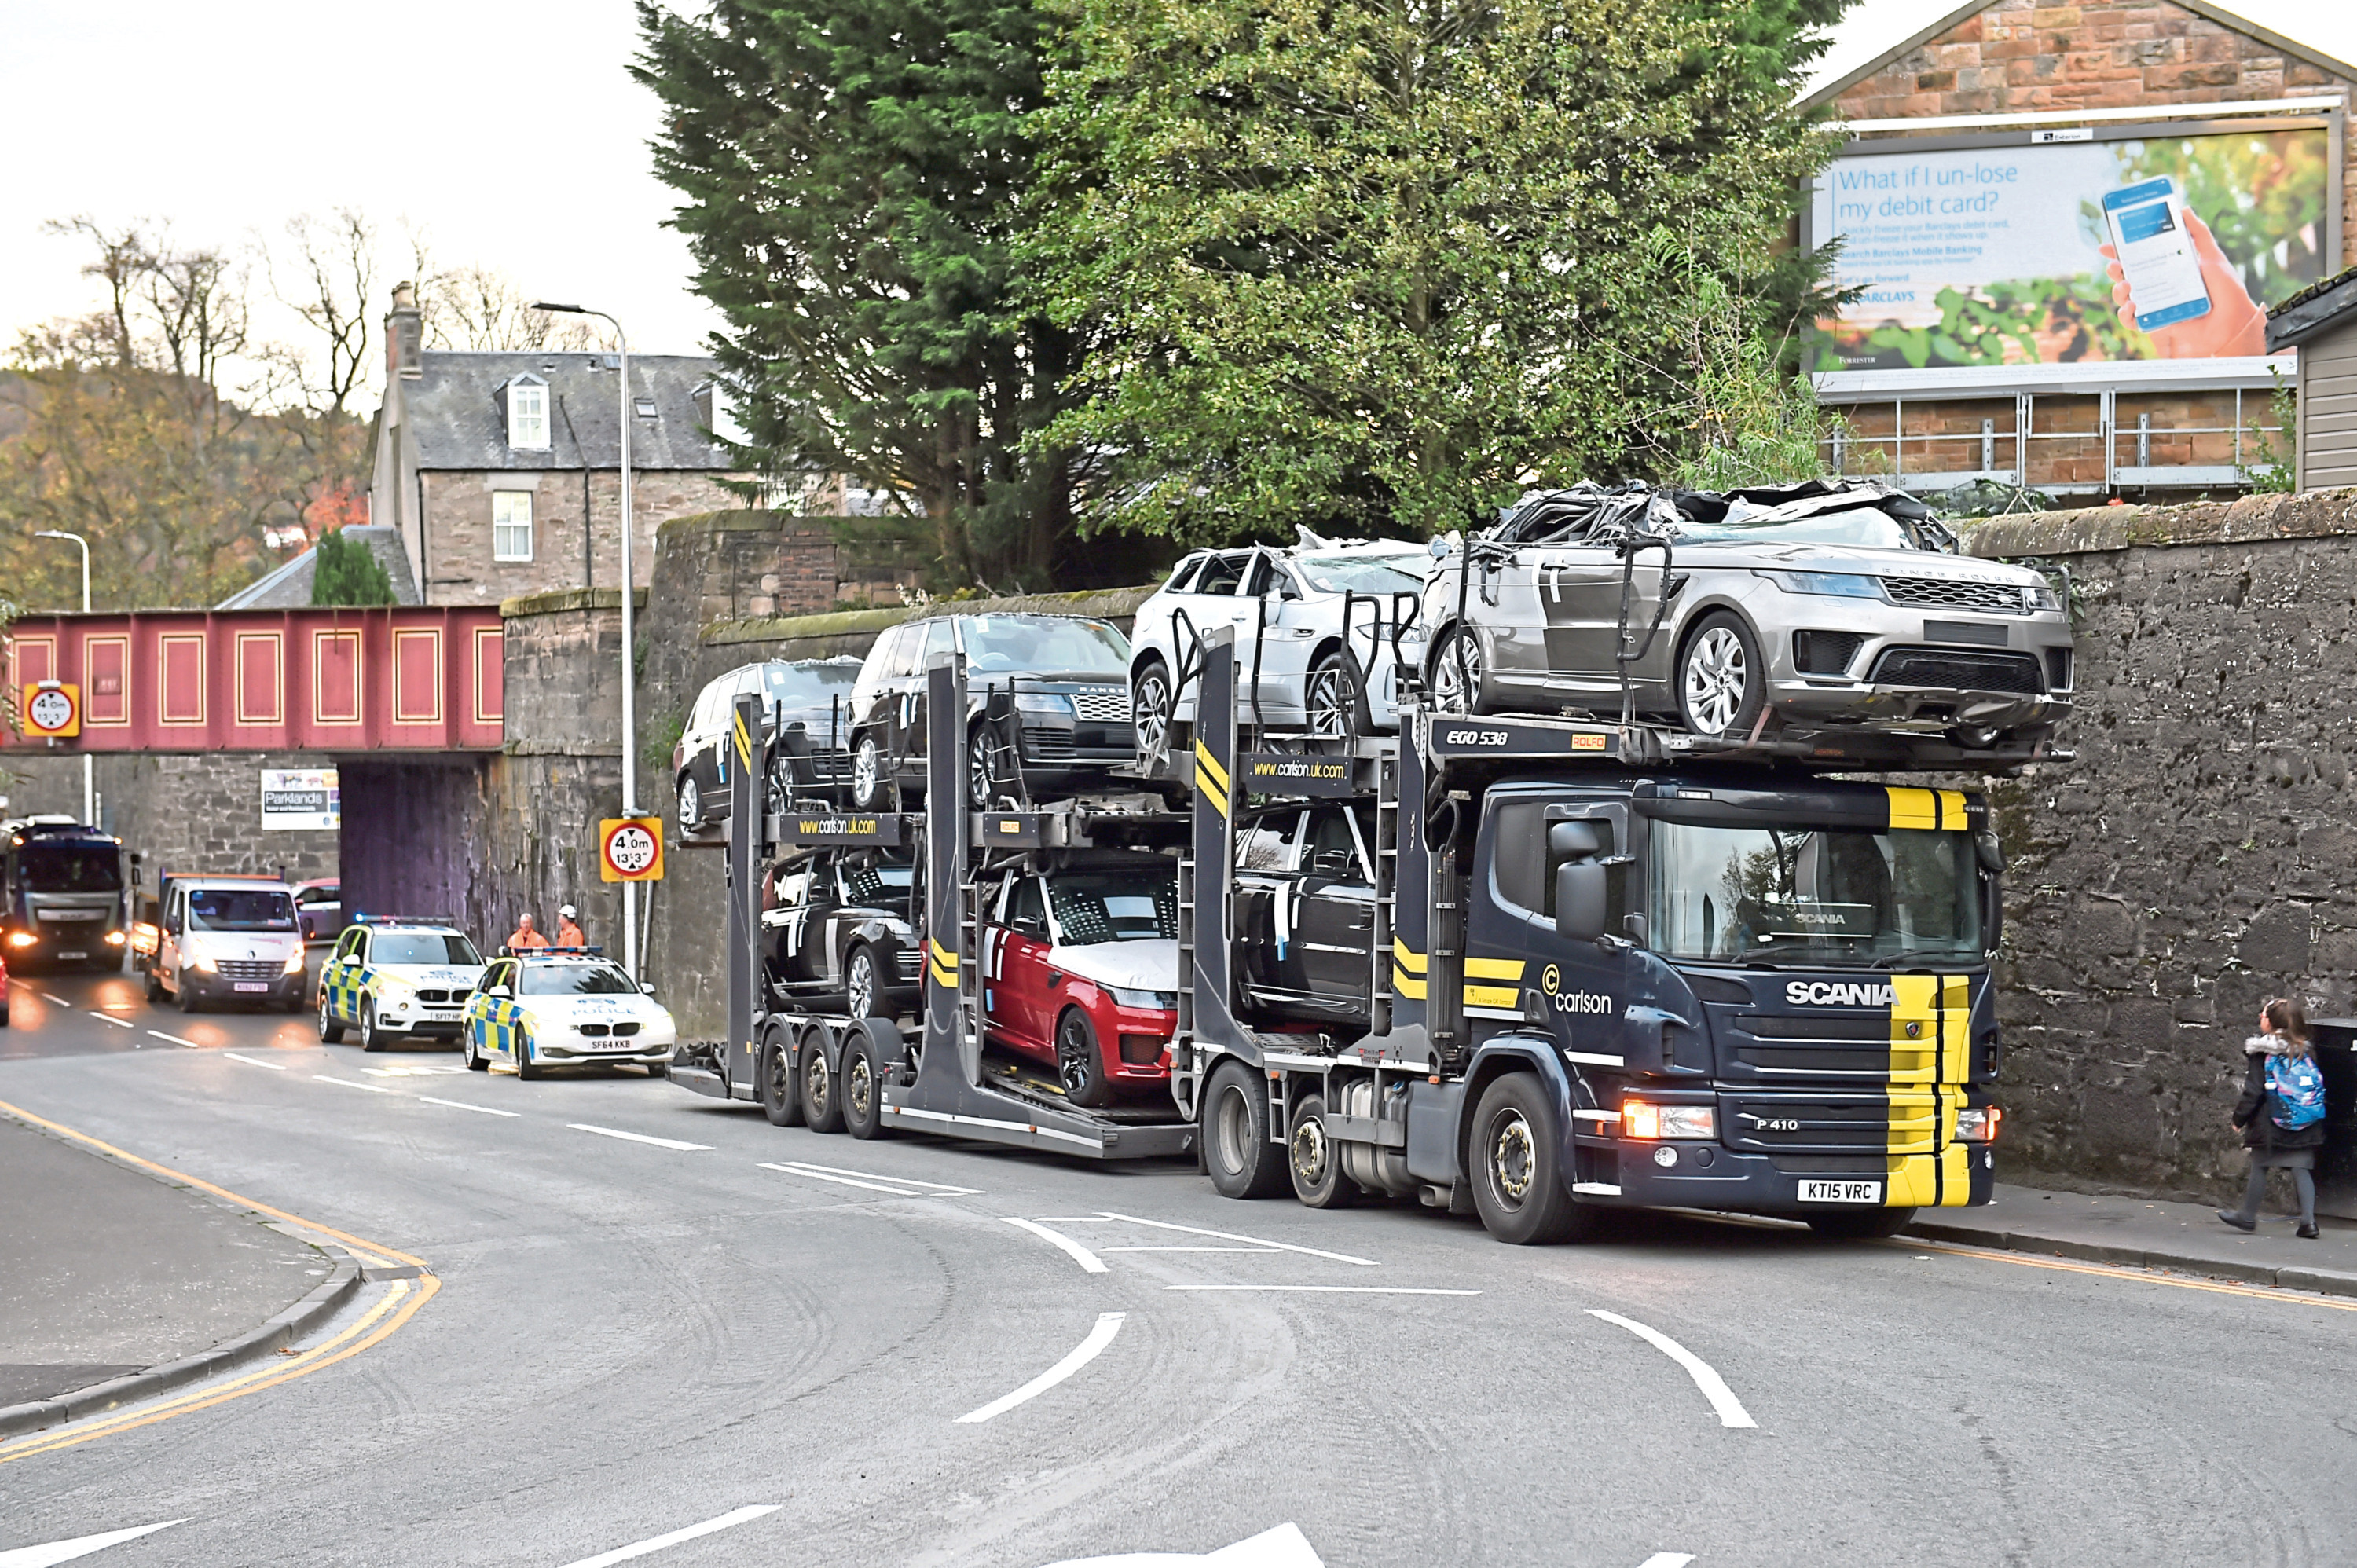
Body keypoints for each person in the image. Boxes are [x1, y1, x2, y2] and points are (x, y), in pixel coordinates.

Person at [2218, 998, 2324, 1239]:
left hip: (2271, 1123)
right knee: (2301, 1168)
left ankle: (2247, 1217)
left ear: (2273, 1022)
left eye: (2264, 1015)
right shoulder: (2306, 1049)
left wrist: (2239, 1119)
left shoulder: (2262, 1052)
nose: (2260, 1017)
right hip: (2306, 1120)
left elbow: (2254, 1091)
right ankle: (2308, 1223)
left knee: (2260, 1166)